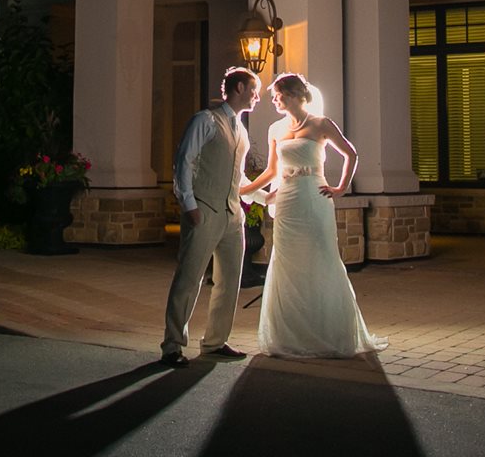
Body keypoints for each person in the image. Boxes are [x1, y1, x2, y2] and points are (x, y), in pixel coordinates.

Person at [241, 71, 386, 359]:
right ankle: (289, 333)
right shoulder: (274, 129)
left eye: (278, 95)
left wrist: (341, 187)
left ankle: (327, 331)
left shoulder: (321, 124)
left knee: (321, 256)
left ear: (294, 94)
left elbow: (351, 154)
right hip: (287, 199)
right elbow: (272, 171)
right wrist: (245, 189)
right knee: (286, 262)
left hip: (314, 195)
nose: (275, 101)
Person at [160, 67, 260, 367]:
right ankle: (172, 346)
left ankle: (215, 342)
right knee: (189, 278)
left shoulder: (241, 130)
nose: (257, 96)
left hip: (232, 216)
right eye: (254, 90)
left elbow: (236, 176)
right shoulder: (205, 120)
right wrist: (189, 204)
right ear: (239, 87)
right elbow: (184, 160)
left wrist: (260, 198)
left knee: (230, 281)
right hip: (203, 211)